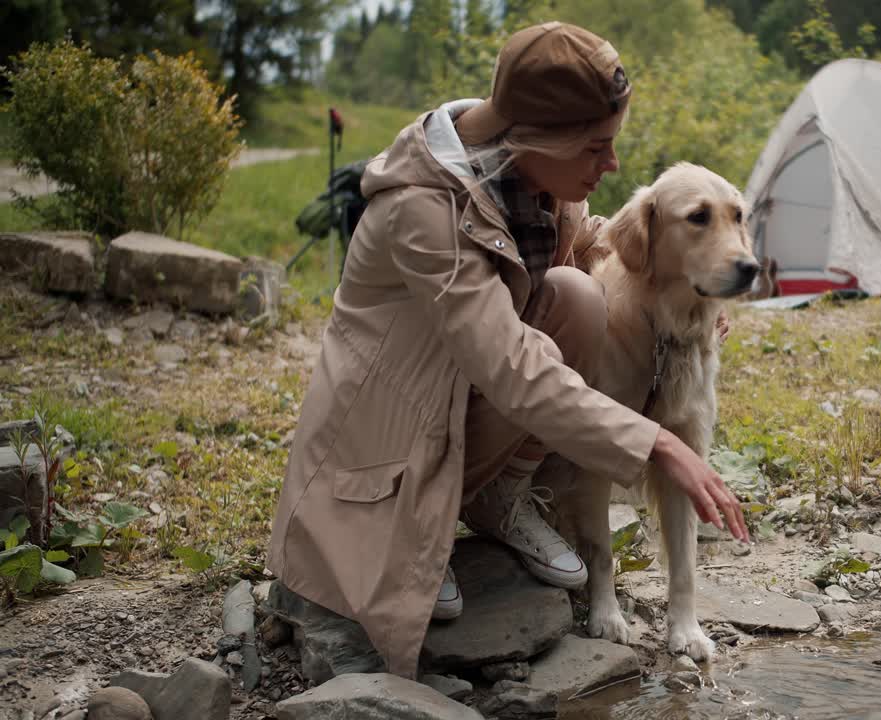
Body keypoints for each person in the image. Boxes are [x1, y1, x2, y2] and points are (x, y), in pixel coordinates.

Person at [266, 21, 748, 678]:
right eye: (596, 149)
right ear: (539, 138)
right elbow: (512, 368)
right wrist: (657, 443)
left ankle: (496, 500)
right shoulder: (422, 212)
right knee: (555, 333)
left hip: (459, 406)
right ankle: (411, 534)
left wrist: (685, 276)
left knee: (579, 297)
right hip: (388, 441)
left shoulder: (526, 169)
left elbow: (594, 243)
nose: (610, 165)